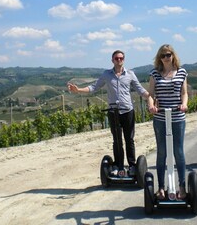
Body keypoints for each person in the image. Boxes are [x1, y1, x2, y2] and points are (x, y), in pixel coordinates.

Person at [67, 50, 149, 176]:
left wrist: (151, 96)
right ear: (112, 60)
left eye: (121, 58)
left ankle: (132, 165)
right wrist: (78, 90)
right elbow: (94, 87)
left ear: (124, 59)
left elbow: (140, 90)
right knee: (117, 140)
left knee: (129, 140)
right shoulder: (106, 74)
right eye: (116, 58)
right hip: (113, 112)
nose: (119, 60)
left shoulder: (130, 74)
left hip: (128, 111)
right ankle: (118, 165)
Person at [147, 44, 188, 200]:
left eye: (168, 54)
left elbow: (184, 93)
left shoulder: (182, 72)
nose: (166, 58)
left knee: (178, 151)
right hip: (160, 117)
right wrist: (151, 105)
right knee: (162, 152)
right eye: (163, 55)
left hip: (177, 117)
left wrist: (184, 104)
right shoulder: (155, 74)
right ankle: (161, 188)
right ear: (159, 57)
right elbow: (150, 93)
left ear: (173, 55)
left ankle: (182, 187)